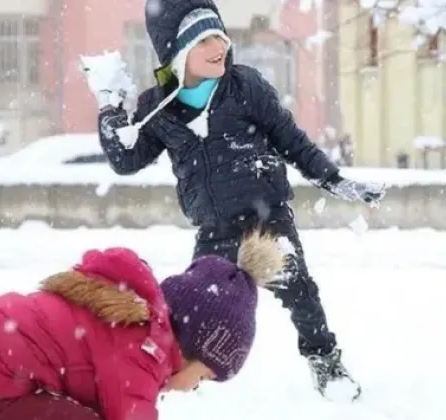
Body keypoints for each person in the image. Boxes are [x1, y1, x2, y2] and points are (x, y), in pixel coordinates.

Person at [85, 0, 385, 401]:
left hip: (267, 221)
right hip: (214, 229)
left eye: (220, 36)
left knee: (301, 293)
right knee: (190, 310)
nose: (219, 46)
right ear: (177, 52)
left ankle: (324, 360)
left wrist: (335, 180)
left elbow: (292, 142)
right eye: (205, 39)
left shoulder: (245, 87)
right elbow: (125, 159)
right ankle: (176, 371)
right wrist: (109, 105)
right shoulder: (159, 109)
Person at [0, 231, 284, 420]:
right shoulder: (143, 349)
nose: (196, 387)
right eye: (205, 376)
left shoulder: (129, 320)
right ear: (189, 346)